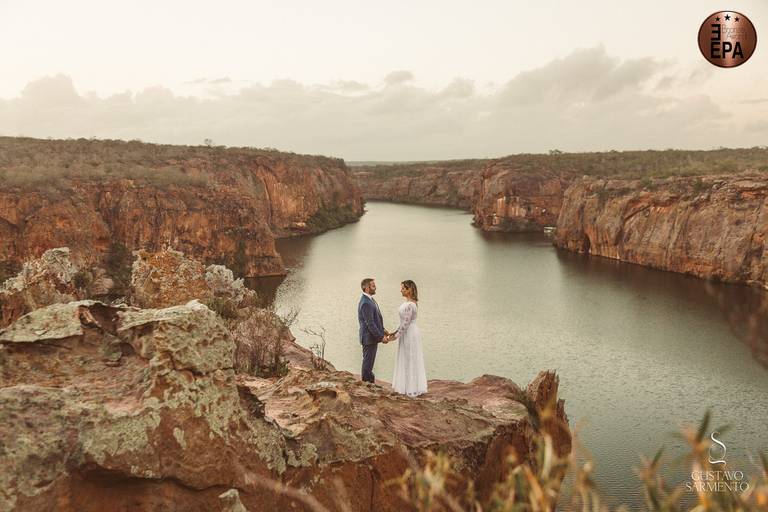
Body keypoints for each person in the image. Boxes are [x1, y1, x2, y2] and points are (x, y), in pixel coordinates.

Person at [385, 280, 427, 396]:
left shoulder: (410, 305)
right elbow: (403, 323)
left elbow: (406, 323)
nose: (401, 290)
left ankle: (411, 388)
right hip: (406, 332)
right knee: (406, 358)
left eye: (403, 288)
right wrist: (394, 332)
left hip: (410, 334)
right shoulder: (409, 303)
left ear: (409, 290)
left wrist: (394, 337)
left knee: (410, 358)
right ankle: (407, 386)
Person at [357, 277, 390, 384]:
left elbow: (375, 319)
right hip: (368, 338)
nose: (375, 287)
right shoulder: (366, 302)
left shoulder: (370, 299)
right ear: (366, 288)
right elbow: (370, 324)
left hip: (371, 338)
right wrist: (381, 337)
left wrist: (383, 330)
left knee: (369, 364)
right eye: (373, 286)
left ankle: (369, 384)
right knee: (368, 364)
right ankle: (366, 385)